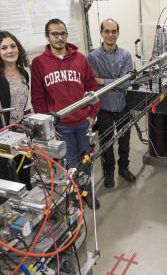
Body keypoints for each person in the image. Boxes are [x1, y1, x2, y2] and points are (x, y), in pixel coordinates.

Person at [31, 18, 100, 209]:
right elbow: (38, 98)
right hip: (61, 127)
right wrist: (49, 126)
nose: (59, 38)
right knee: (70, 165)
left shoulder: (80, 59)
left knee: (86, 160)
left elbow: (92, 89)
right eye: (55, 34)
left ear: (66, 35)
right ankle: (75, 197)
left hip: (83, 122)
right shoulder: (39, 63)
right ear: (48, 36)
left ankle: (87, 192)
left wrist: (92, 114)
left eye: (63, 33)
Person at [87, 18, 136, 188]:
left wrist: (103, 81)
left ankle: (124, 168)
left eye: (113, 31)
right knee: (106, 143)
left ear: (118, 33)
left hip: (122, 105)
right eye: (106, 31)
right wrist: (114, 81)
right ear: (101, 33)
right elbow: (93, 82)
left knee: (125, 140)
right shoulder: (92, 57)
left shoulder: (126, 55)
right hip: (103, 109)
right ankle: (109, 173)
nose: (110, 35)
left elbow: (126, 82)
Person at [0, 31, 32, 189]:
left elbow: (23, 104)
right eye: (3, 47)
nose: (9, 50)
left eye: (12, 46)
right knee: (10, 180)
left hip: (20, 132)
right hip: (3, 136)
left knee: (25, 172)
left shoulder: (24, 72)